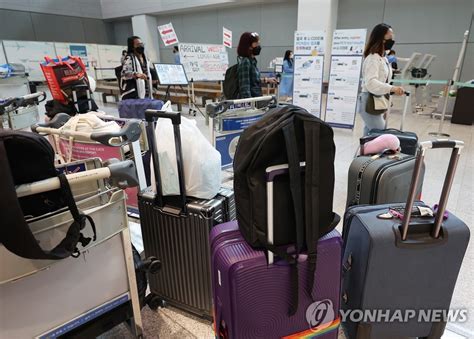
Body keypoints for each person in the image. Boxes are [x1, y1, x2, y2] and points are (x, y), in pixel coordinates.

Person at [359, 23, 404, 136]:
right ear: (382, 38)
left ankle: (363, 153)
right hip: (369, 101)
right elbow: (371, 82)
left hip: (377, 101)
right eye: (390, 35)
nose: (392, 38)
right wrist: (392, 88)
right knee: (381, 135)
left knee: (369, 138)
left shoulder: (382, 58)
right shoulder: (373, 58)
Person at [237, 32, 277, 98]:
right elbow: (244, 87)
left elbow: (253, 80)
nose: (258, 46)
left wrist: (266, 80)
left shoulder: (252, 61)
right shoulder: (245, 62)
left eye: (258, 43)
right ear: (248, 46)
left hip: (256, 98)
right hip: (252, 102)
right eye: (256, 43)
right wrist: (249, 105)